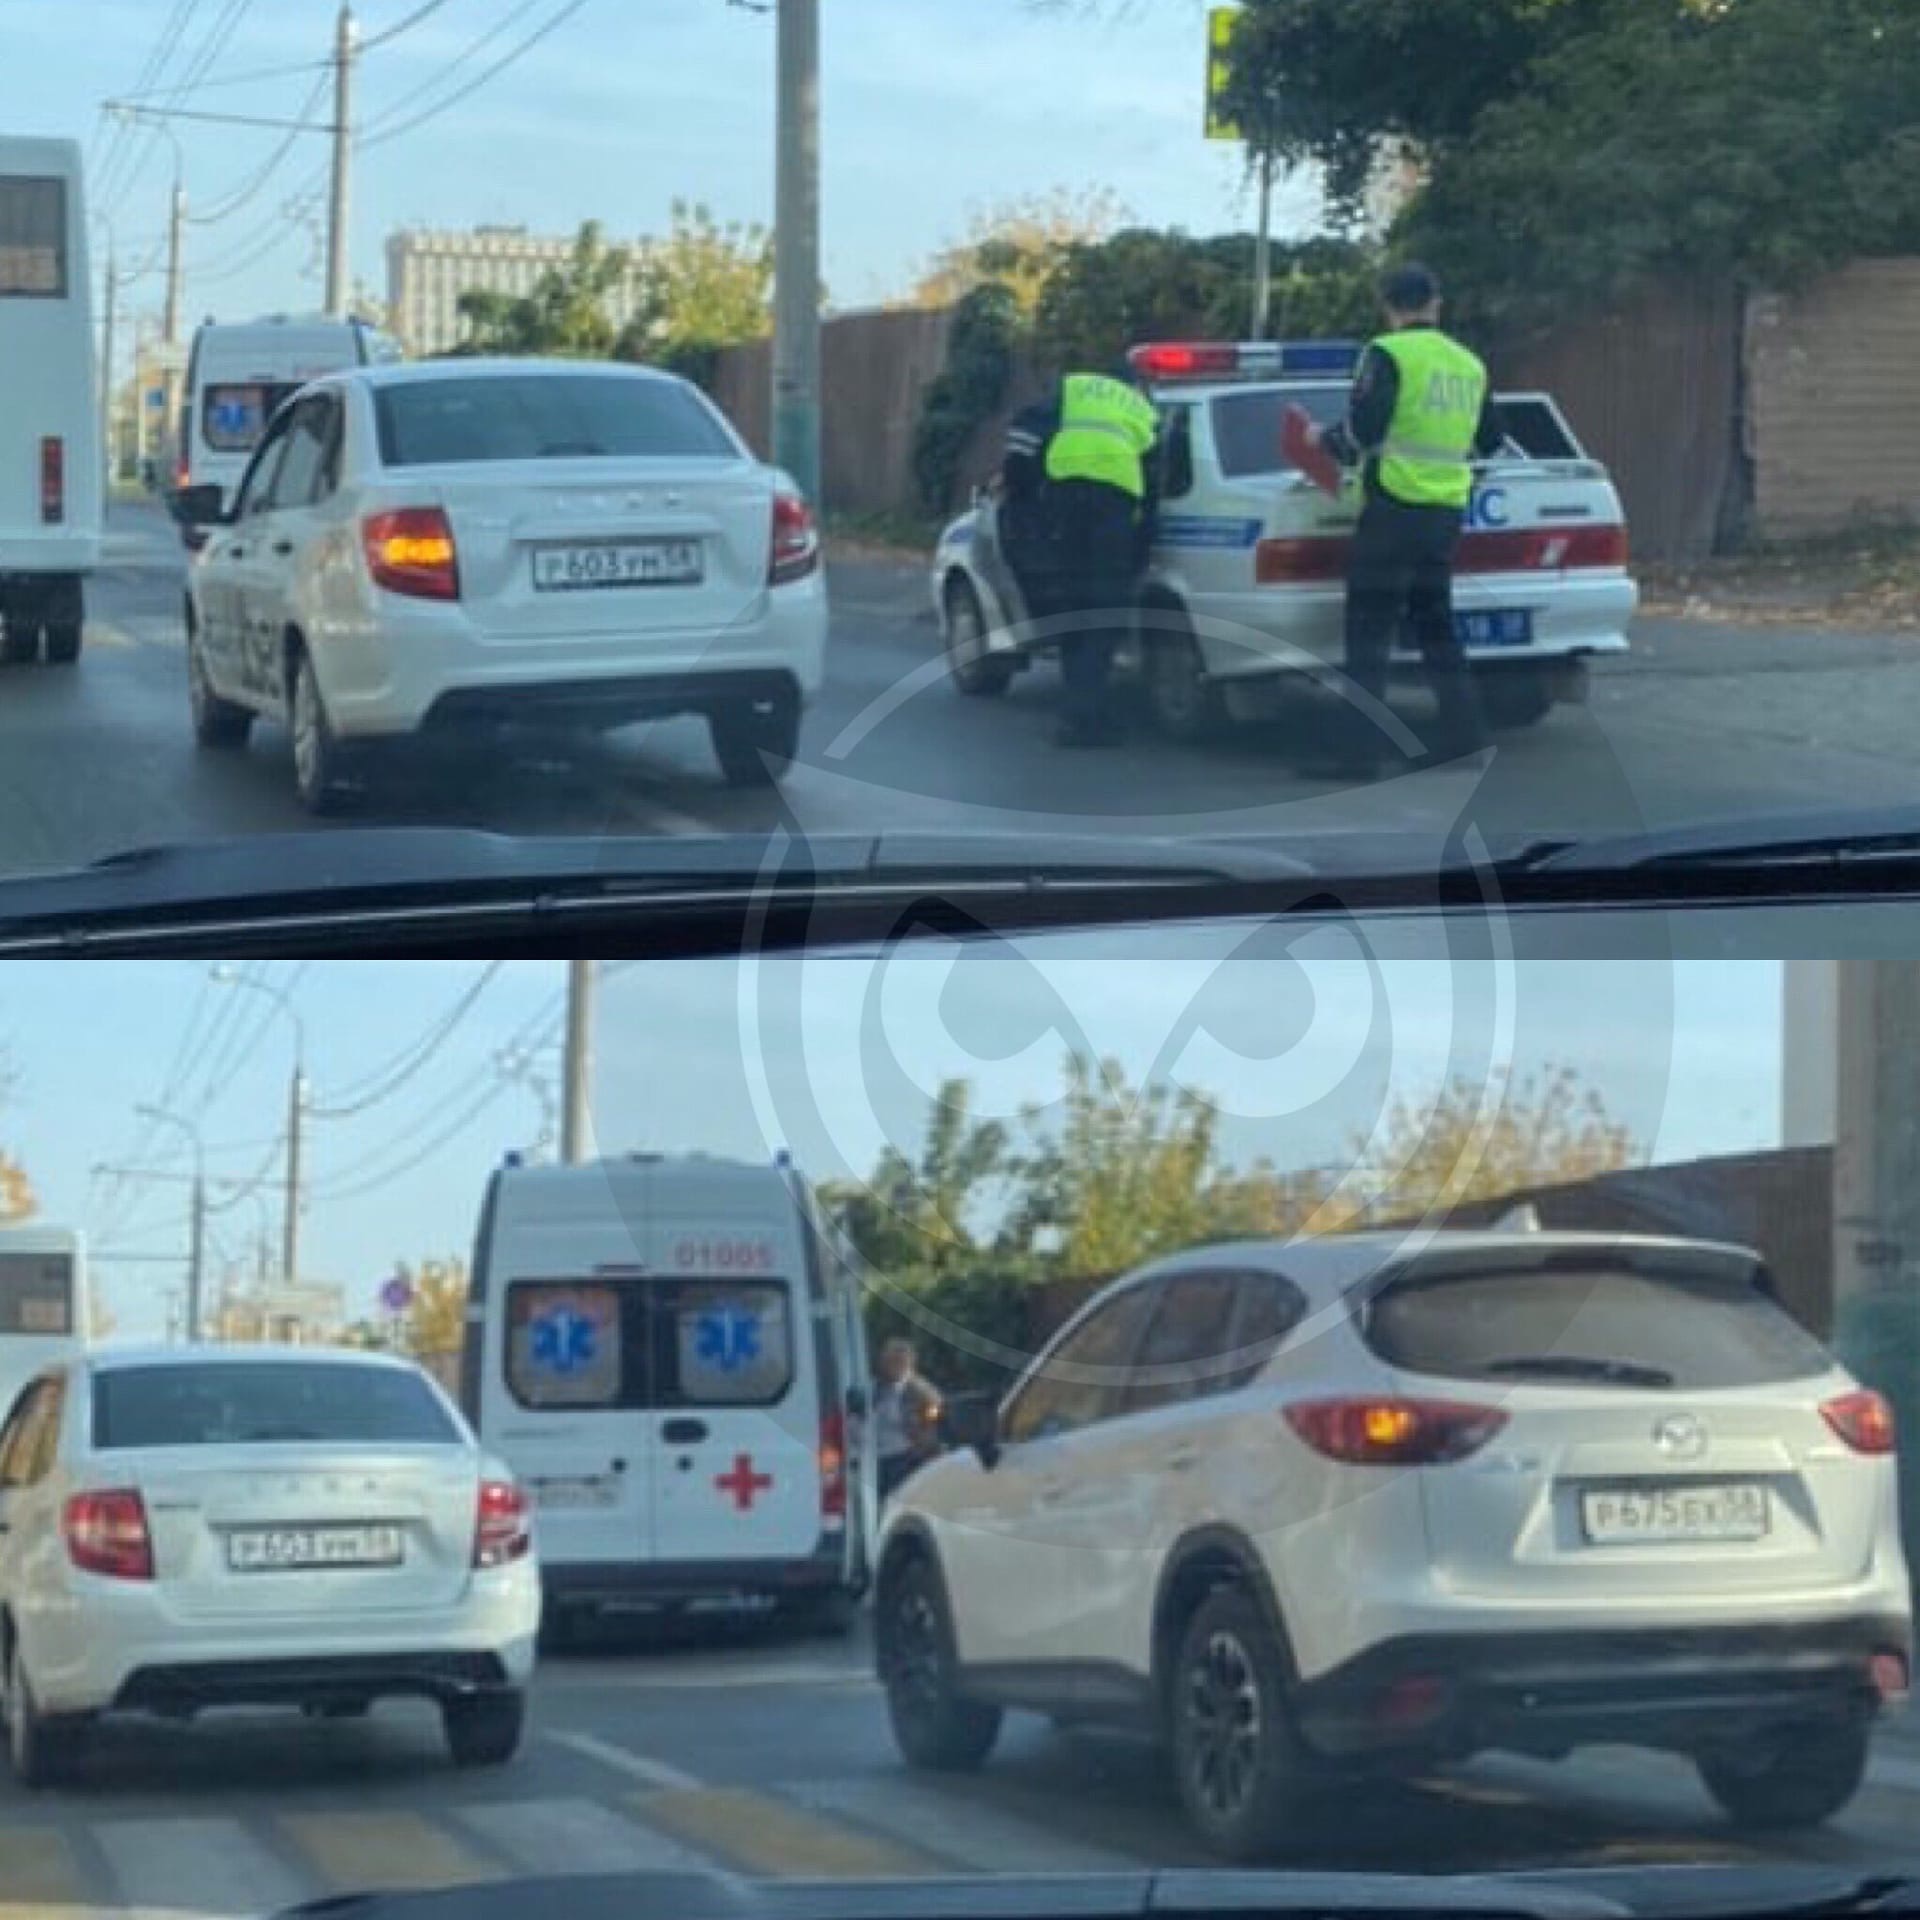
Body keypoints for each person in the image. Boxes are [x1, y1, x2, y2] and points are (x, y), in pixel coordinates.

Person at [1306, 262, 1506, 781]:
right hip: (1445, 511)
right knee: (1436, 626)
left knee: (1368, 632)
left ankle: (1359, 755)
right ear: (1436, 304)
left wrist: (1320, 439)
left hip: (1393, 505)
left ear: (1388, 306)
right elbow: (1491, 440)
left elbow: (1363, 432)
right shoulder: (1469, 363)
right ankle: (1464, 740)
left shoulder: (1387, 353)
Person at [1040, 365, 1160, 748]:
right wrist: (1144, 540)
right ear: (1133, 384)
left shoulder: (1073, 386)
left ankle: (1076, 711)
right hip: (1111, 506)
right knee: (1105, 612)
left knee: (1073, 608)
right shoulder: (1141, 408)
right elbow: (1155, 476)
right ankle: (1087, 716)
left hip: (1065, 501)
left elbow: (1033, 434)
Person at [873, 1337, 942, 1501]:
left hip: (907, 1454)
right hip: (877, 1455)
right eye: (889, 1361)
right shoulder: (875, 1388)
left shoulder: (922, 1391)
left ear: (909, 1363)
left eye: (898, 1361)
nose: (893, 1366)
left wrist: (923, 1440)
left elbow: (934, 1416)